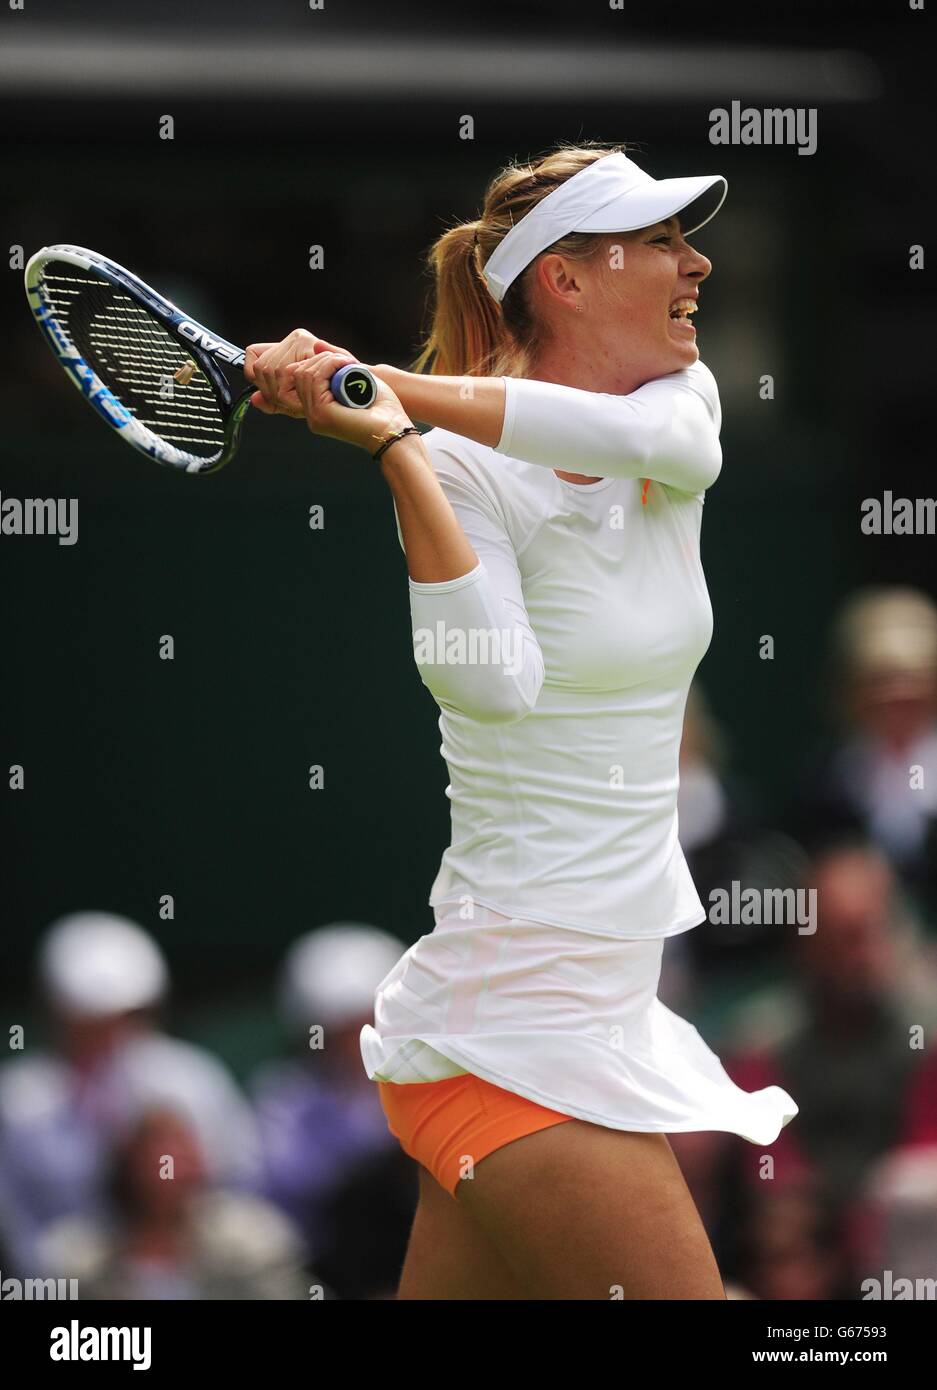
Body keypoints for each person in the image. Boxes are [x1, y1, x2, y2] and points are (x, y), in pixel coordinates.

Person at [243, 140, 798, 1300]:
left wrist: (386, 386)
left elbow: (664, 448)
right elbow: (489, 681)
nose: (695, 264)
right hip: (514, 1034)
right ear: (567, 279)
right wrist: (398, 447)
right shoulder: (456, 472)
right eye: (660, 242)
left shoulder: (677, 401)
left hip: (590, 1016)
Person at [0, 911, 261, 1276]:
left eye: (123, 1017)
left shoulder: (192, 1078)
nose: (107, 1037)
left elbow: (238, 1181)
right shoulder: (19, 1099)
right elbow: (16, 1215)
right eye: (87, 1022)